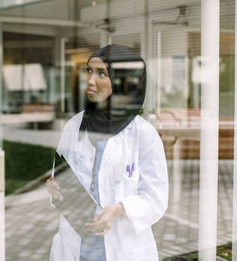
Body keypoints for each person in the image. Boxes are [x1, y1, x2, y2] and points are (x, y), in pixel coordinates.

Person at [47, 44, 168, 261]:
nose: (91, 80)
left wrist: (119, 209)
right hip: (76, 248)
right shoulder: (74, 126)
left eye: (102, 73)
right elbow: (60, 179)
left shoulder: (143, 134)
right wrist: (54, 187)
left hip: (123, 249)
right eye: (89, 71)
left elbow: (156, 199)